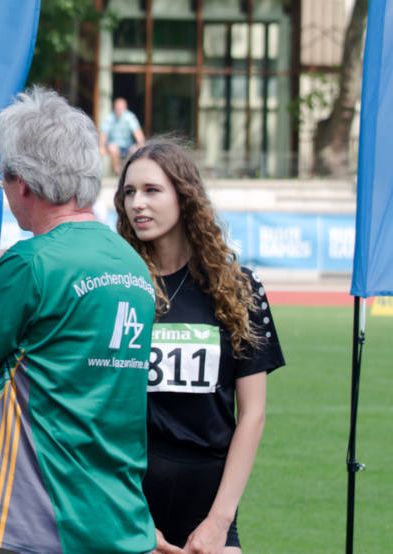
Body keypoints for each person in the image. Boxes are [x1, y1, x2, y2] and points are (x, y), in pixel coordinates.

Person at [0, 87, 158, 554]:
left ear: (22, 182)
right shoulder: (131, 263)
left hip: (33, 523)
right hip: (119, 520)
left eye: (2, 181)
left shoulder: (28, 263)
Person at [114, 139, 285, 554]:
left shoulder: (239, 289)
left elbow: (254, 414)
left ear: (184, 196)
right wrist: (133, 518)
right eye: (130, 192)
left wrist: (218, 522)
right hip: (130, 506)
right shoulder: (118, 285)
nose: (138, 203)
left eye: (152, 191)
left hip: (211, 509)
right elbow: (102, 409)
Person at [99, 97, 145, 174]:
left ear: (125, 108)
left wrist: (141, 145)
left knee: (136, 149)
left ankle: (132, 172)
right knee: (112, 148)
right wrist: (101, 146)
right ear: (114, 108)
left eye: (121, 108)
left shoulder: (130, 117)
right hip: (114, 144)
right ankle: (118, 172)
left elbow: (138, 133)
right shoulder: (109, 117)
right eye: (117, 108)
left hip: (128, 144)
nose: (119, 110)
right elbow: (103, 133)